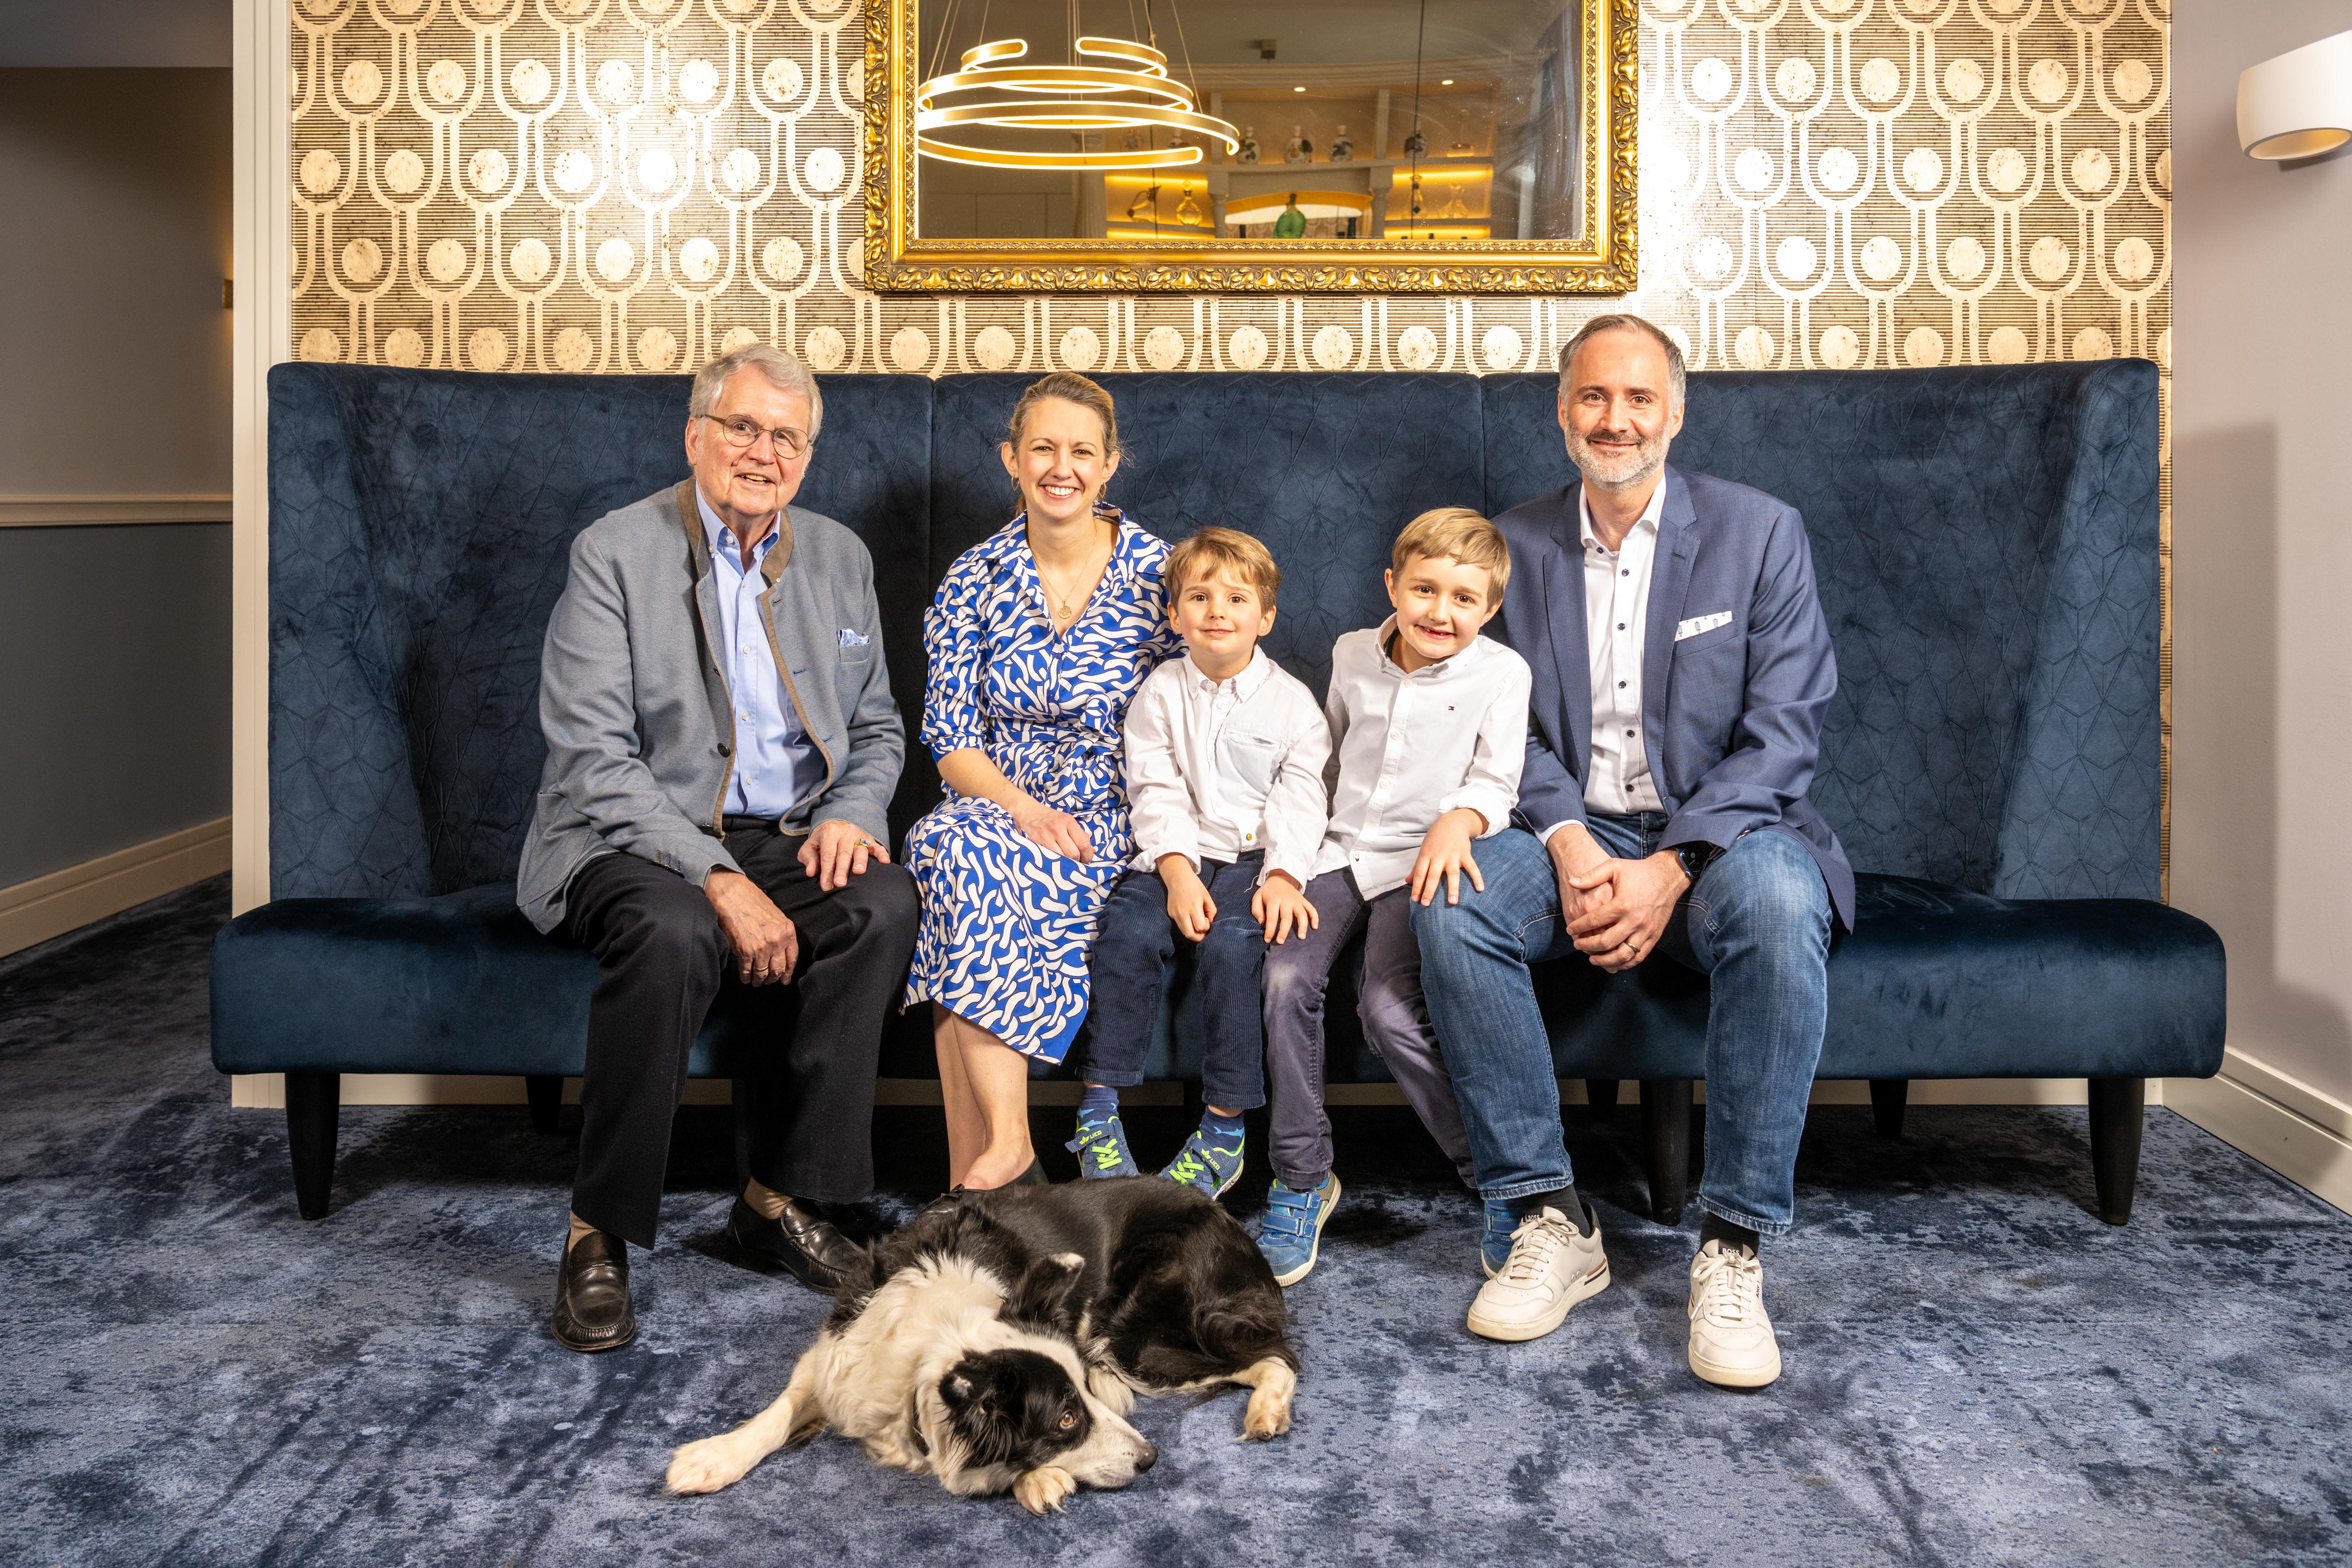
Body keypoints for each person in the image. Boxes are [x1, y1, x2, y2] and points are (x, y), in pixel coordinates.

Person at [1414, 314, 1854, 1386]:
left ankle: (1733, 1243)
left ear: (1675, 412)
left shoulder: (1760, 532)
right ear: (1562, 411)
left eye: (1638, 398)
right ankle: (1548, 1216)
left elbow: (1783, 732)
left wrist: (1670, 867)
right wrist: (1569, 842)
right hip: (1564, 824)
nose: (1615, 419)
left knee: (1780, 908)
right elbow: (1495, 724)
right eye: (1593, 397)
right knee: (1452, 903)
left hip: (1726, 831)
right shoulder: (1509, 545)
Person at [517, 343, 920, 1353]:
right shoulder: (613, 551)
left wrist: (853, 813)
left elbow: (876, 728)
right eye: (742, 426)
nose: (762, 451)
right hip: (630, 833)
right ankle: (597, 1230)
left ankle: (776, 1201)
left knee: (879, 905)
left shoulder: (840, 556)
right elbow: (593, 760)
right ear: (695, 434)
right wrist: (716, 876)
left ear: (807, 456)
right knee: (676, 931)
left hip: (787, 829)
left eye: (786, 436)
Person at [902, 373, 1183, 1192]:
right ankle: (1009, 1148)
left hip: (1118, 813)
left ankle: (981, 1184)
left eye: (1082, 452)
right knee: (950, 846)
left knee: (960, 888)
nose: (1062, 468)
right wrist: (1023, 810)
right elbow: (950, 740)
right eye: (1043, 449)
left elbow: (1198, 712)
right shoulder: (974, 577)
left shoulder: (1161, 574)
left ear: (1109, 465)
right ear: (1011, 459)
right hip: (999, 802)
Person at [1255, 508, 1531, 1286]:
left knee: (1386, 1011)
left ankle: (1498, 1177)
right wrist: (1287, 864)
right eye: (1423, 590)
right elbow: (1321, 765)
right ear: (1392, 586)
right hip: (1338, 851)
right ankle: (1303, 1177)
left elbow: (1497, 782)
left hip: (1423, 862)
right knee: (1282, 978)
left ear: (1490, 608)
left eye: (1463, 599)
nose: (1440, 612)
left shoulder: (1502, 674)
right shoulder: (1350, 654)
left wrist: (1458, 820)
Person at [1066, 527, 1330, 1196]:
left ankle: (1223, 1128)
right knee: (1125, 932)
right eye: (1199, 596)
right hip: (1173, 851)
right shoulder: (1159, 693)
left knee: (1234, 944)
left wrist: (1283, 875)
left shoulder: (1293, 704)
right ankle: (1098, 1112)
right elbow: (1154, 788)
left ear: (1265, 617)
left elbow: (1303, 799)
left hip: (1254, 857)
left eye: (1237, 598)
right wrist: (1177, 872)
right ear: (1175, 613)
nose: (1217, 611)